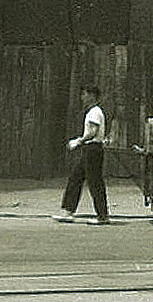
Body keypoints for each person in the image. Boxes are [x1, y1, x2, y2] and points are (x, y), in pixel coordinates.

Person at [53, 85, 110, 225]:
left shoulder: (95, 112)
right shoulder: (92, 111)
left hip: (93, 149)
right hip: (89, 149)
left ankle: (102, 216)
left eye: (84, 94)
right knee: (75, 178)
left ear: (91, 95)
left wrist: (78, 141)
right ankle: (68, 211)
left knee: (95, 182)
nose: (82, 97)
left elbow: (92, 132)